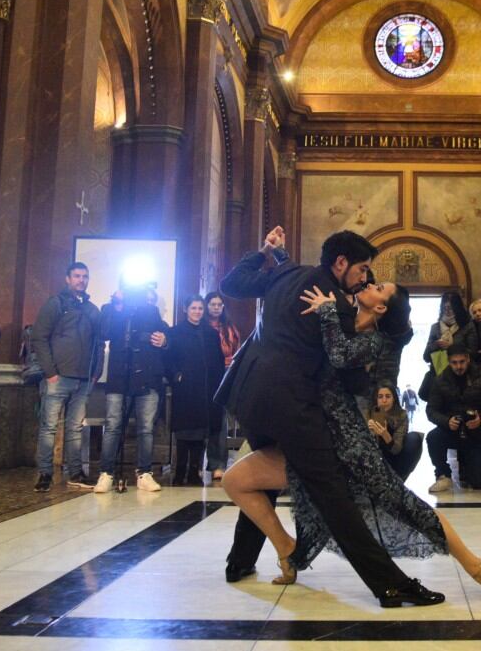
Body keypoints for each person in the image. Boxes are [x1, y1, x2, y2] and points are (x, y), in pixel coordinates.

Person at [222, 276, 481, 601]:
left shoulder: (374, 340)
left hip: (349, 445)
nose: (369, 284)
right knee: (235, 481)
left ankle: (474, 566)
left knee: (407, 505)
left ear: (381, 306)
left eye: (378, 287)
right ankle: (286, 548)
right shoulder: (338, 320)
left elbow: (341, 354)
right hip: (308, 434)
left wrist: (328, 311)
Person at [216, 228, 445, 607]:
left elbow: (231, 283)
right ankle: (389, 583)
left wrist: (265, 251)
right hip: (291, 404)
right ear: (341, 263)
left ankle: (240, 561)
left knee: (264, 472)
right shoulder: (335, 304)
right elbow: (347, 369)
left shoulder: (288, 273)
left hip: (248, 396)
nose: (366, 278)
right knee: (333, 494)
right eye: (363, 269)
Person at [29, 262, 103, 493]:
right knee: (49, 427)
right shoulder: (55, 304)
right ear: (67, 279)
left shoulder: (92, 309)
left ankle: (76, 473)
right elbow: (39, 338)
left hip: (83, 379)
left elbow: (99, 342)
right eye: (77, 276)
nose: (81, 280)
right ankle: (45, 474)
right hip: (57, 377)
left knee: (75, 428)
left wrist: (95, 372)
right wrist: (50, 372)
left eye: (85, 276)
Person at [95, 286, 169, 493]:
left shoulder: (150, 310)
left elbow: (163, 335)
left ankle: (144, 473)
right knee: (112, 425)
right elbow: (105, 333)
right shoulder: (110, 309)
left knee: (146, 427)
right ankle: (106, 473)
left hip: (145, 375)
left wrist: (165, 341)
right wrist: (118, 306)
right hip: (119, 375)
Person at [425, 342, 481, 492]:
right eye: (454, 363)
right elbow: (431, 410)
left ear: (468, 359)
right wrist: (446, 421)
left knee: (479, 483)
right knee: (433, 437)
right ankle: (443, 475)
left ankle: (474, 469)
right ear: (449, 362)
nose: (458, 366)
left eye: (461, 362)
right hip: (452, 431)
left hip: (478, 433)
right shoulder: (440, 380)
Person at [167, 295, 226, 486]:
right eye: (193, 308)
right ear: (186, 309)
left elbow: (217, 361)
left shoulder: (210, 333)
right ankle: (179, 471)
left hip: (205, 389)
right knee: (184, 432)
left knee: (201, 433)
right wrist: (176, 375)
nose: (197, 312)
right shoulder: (175, 332)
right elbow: (169, 359)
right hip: (185, 388)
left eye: (200, 309)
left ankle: (194, 471)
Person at [204, 290, 240, 482]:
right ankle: (200, 463)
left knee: (221, 422)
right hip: (205, 376)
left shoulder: (229, 328)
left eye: (219, 305)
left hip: (225, 375)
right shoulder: (201, 327)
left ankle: (219, 464)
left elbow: (235, 352)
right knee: (205, 421)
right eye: (213, 305)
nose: (216, 308)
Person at [368, 381, 418, 479]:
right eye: (380, 397)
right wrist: (368, 430)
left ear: (394, 398)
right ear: (376, 399)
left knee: (414, 438)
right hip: (373, 459)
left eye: (388, 396)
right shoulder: (370, 413)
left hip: (394, 457)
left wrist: (385, 435)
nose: (384, 400)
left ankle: (398, 479)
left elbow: (396, 449)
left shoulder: (401, 415)